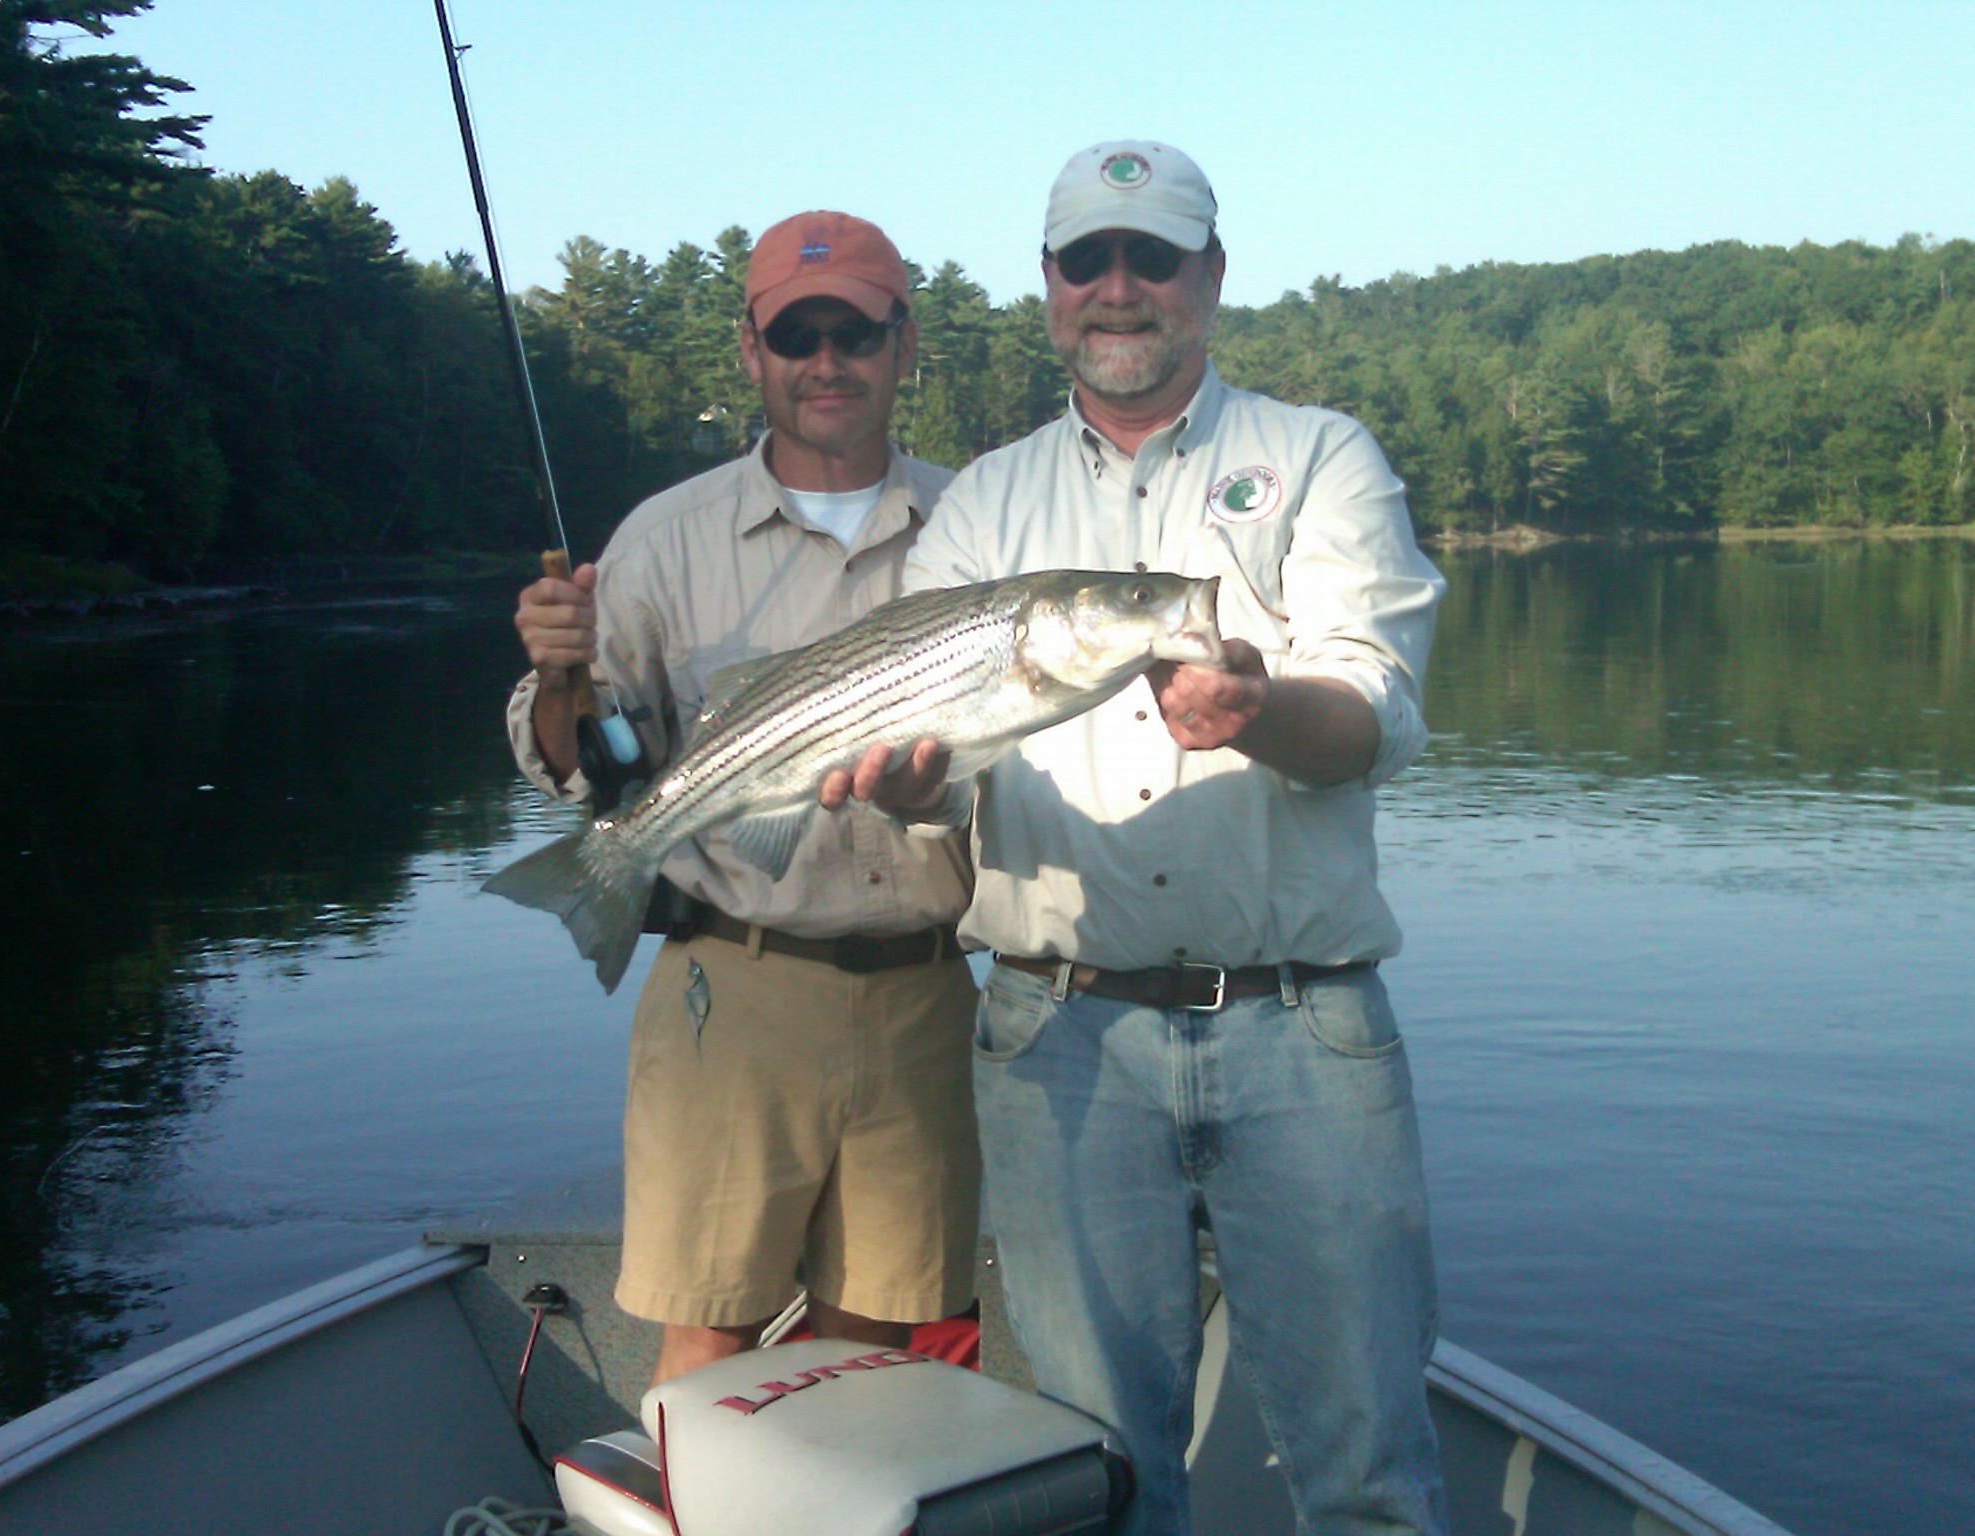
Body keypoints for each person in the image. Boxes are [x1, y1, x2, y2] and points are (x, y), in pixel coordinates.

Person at [829, 142, 1448, 1534]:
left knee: (1371, 1477)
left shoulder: (1317, 455)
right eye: (1087, 260)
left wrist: (1257, 711)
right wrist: (908, 783)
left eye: (1152, 257)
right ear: (1049, 288)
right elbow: (941, 775)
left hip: (1306, 1028)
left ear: (1209, 277)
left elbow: (1375, 713)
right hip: (1061, 1032)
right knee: (1098, 1480)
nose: (1119, 289)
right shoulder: (985, 503)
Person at [509, 211, 980, 1387]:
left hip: (931, 992)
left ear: (903, 342)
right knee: (707, 1331)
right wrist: (562, 675)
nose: (827, 361)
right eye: (796, 334)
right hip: (734, 983)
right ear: (752, 350)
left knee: (882, 1344)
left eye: (855, 332)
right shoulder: (662, 539)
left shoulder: (979, 522)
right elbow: (584, 764)